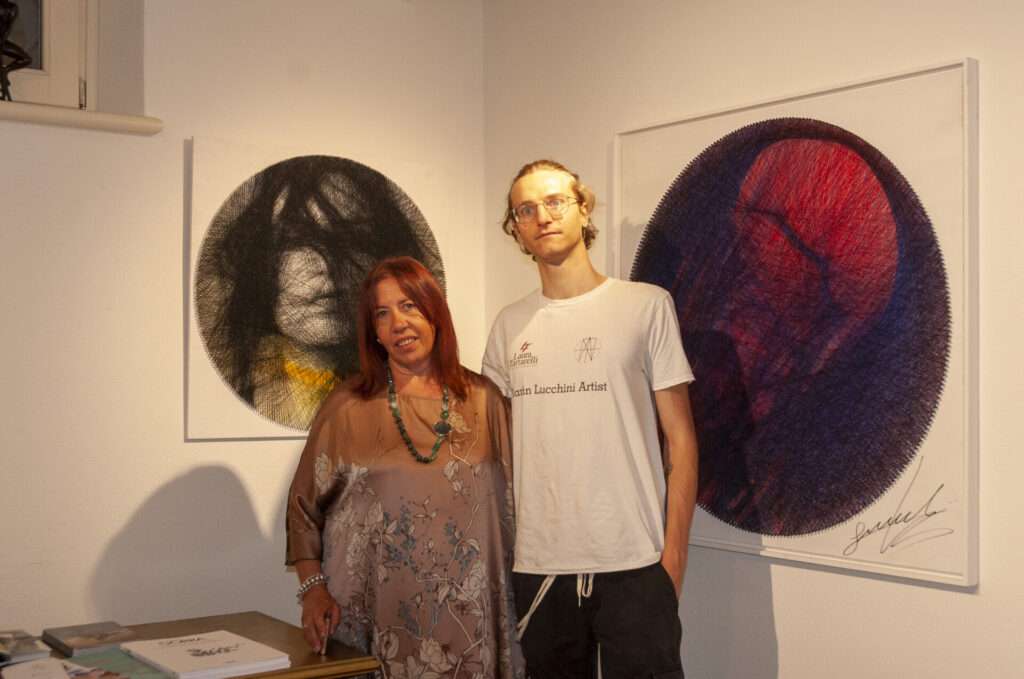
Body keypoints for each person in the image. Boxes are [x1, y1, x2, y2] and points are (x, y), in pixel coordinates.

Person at [482, 160, 699, 678]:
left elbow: (681, 441)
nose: (542, 216)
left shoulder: (645, 306)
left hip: (635, 563)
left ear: (584, 208)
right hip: (541, 568)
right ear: (516, 230)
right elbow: (496, 452)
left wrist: (672, 559)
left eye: (555, 201)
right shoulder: (509, 326)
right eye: (526, 210)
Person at [286, 256, 524, 679]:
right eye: (382, 313)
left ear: (434, 312)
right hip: (373, 620)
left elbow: (520, 501)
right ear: (374, 332)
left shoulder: (485, 401)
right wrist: (312, 590)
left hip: (471, 628)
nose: (398, 323)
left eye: (409, 306)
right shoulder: (348, 408)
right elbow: (303, 508)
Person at [195, 155, 443, 430]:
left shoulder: (411, 395)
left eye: (352, 238)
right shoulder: (246, 393)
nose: (325, 265)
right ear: (264, 260)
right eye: (296, 240)